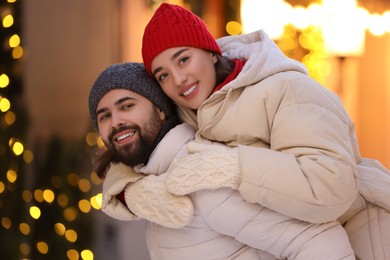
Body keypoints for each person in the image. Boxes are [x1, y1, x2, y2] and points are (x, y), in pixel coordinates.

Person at [141, 3, 390, 259]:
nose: (178, 79)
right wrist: (130, 191)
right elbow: (138, 142)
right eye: (163, 76)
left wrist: (235, 167)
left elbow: (330, 186)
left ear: (211, 53)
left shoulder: (288, 90)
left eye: (183, 59)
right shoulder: (192, 114)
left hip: (366, 241)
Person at [88, 62, 355, 259]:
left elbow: (321, 243)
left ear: (160, 110)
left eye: (126, 106)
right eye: (104, 116)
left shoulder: (203, 176)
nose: (116, 122)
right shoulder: (151, 180)